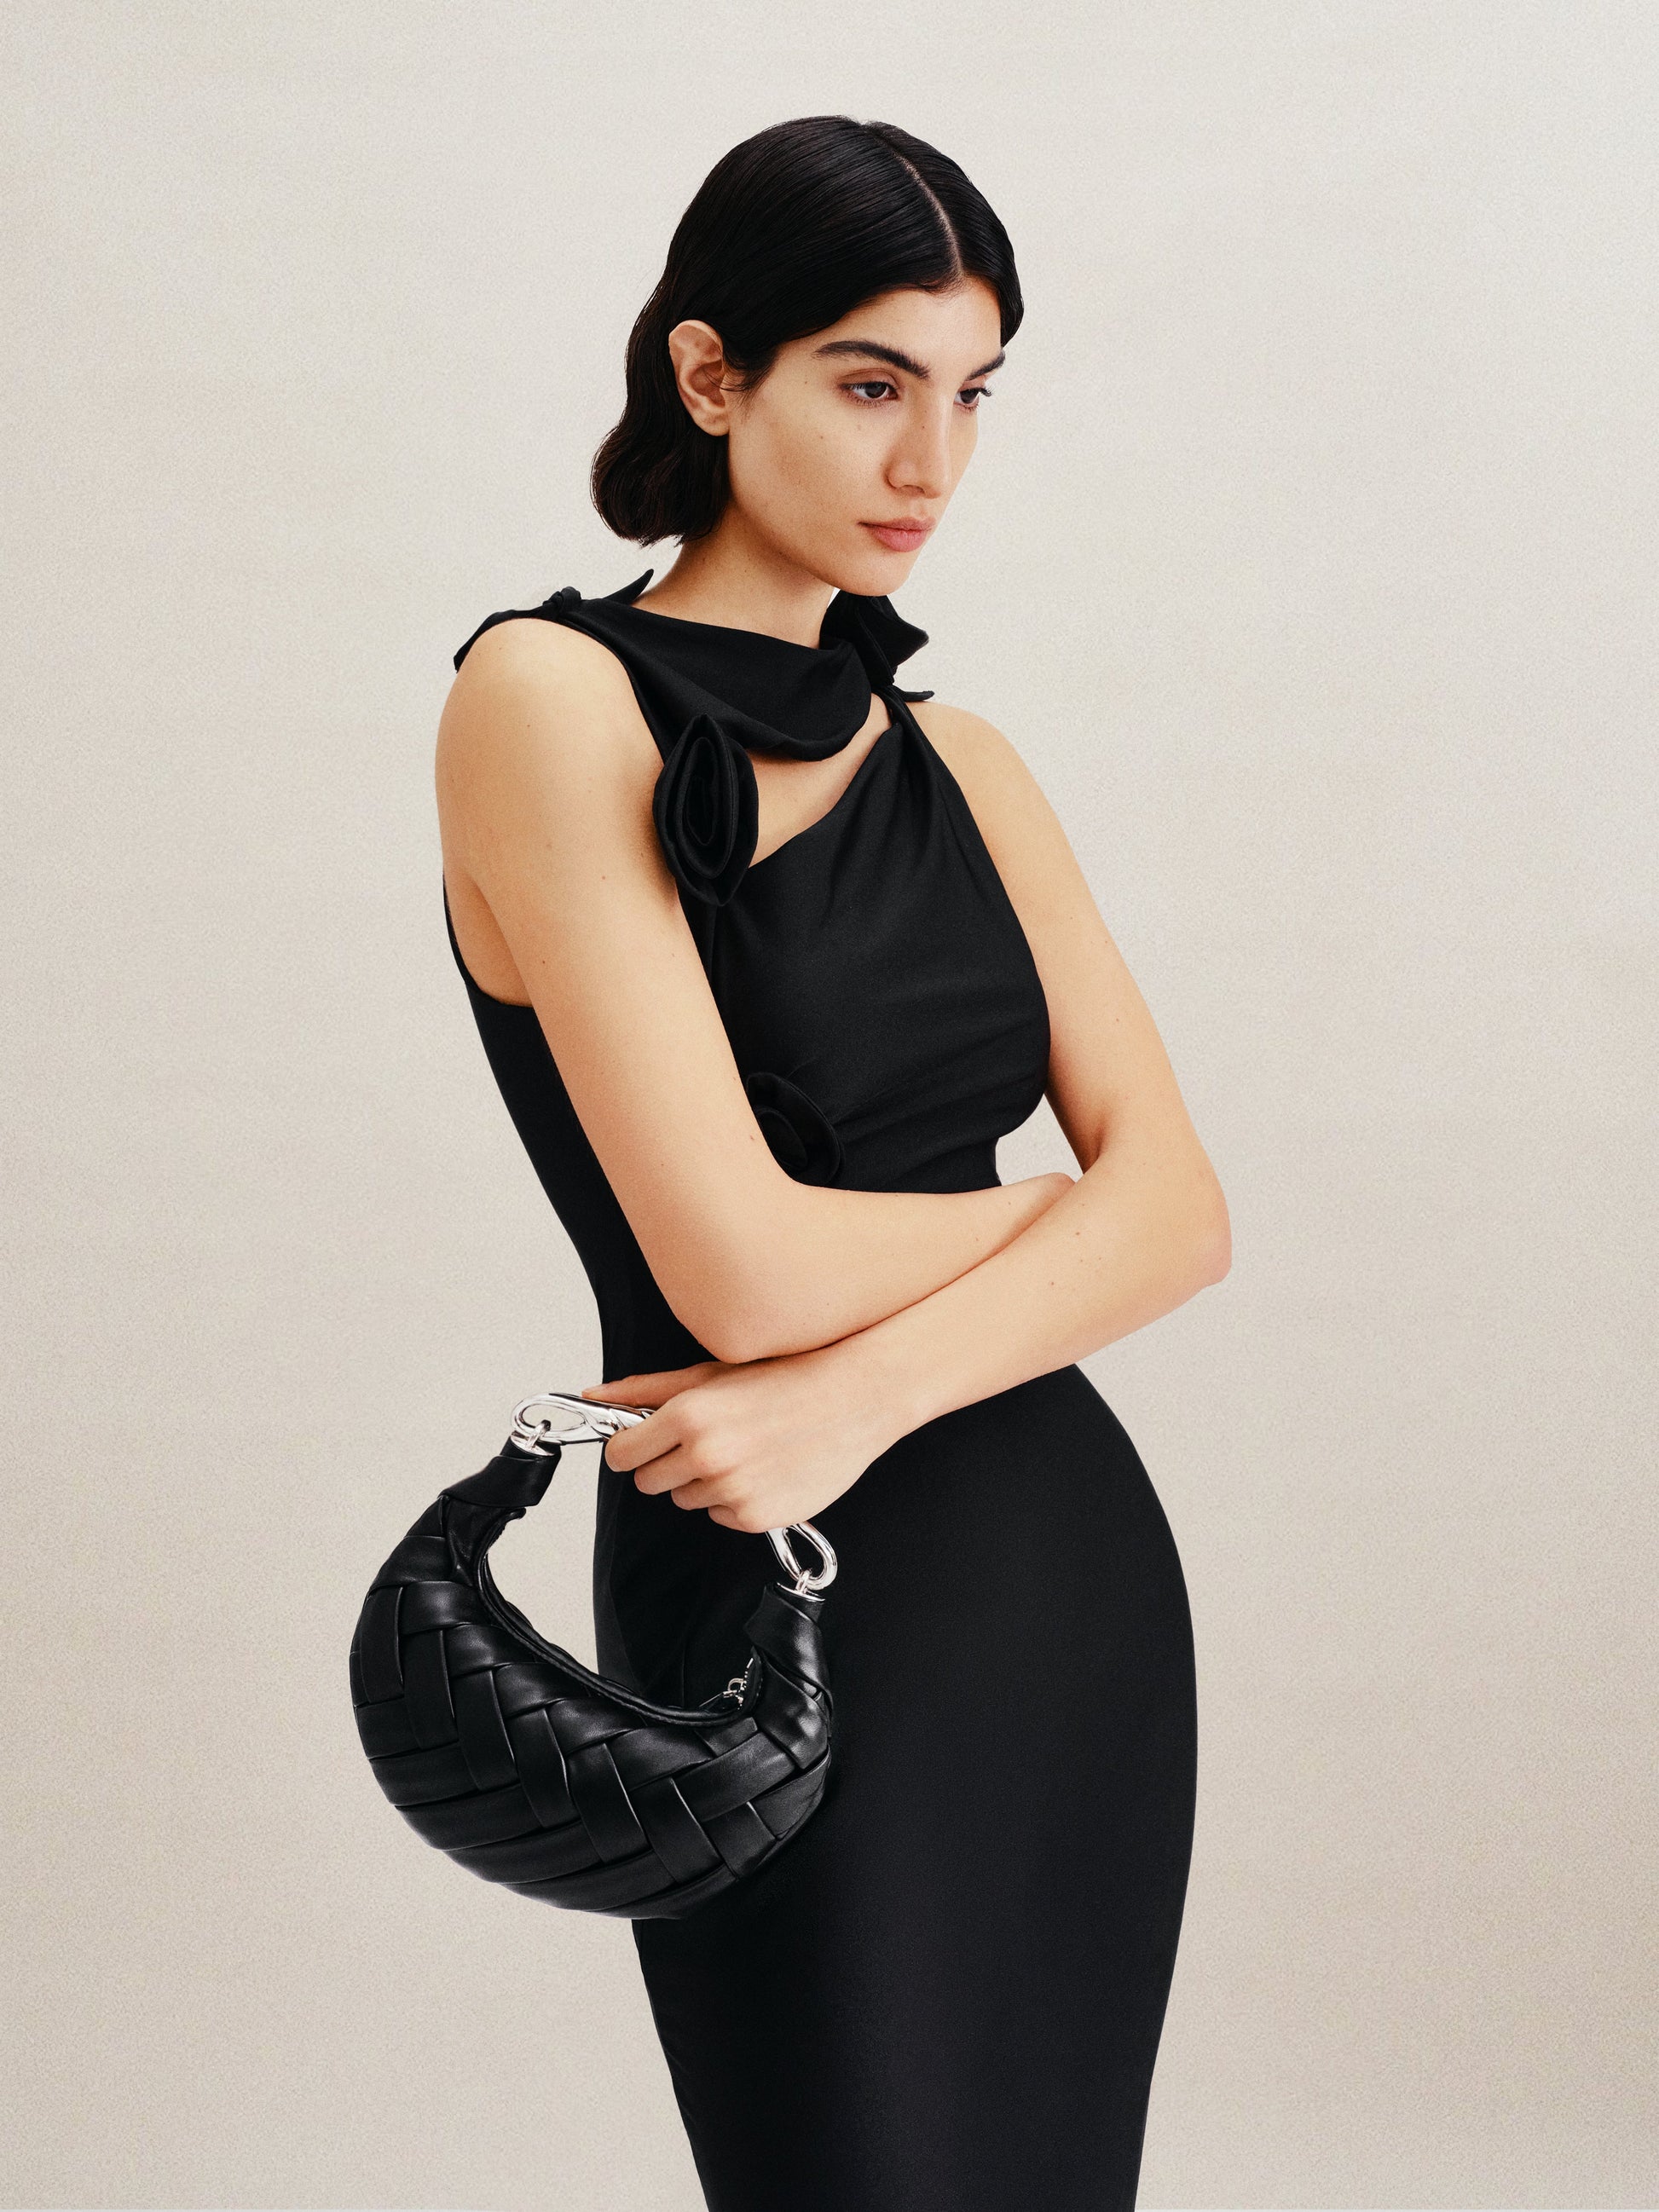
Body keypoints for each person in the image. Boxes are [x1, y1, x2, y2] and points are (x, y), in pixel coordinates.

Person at [435, 113, 1229, 2212]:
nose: (929, 462)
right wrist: (1052, 1219)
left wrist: (856, 1394)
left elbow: (1187, 1214)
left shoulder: (968, 762)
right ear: (711, 375)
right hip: (766, 1593)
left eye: (972, 395)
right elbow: (740, 1269)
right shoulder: (549, 696)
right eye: (872, 383)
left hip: (1046, 1571)